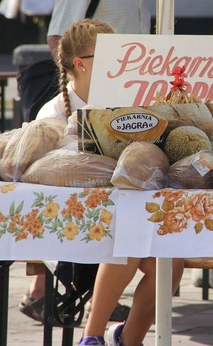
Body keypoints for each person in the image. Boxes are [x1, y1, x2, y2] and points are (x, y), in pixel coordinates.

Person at [19, 19, 130, 325]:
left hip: (118, 222)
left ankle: (123, 337)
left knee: (167, 262)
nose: (119, 65)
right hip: (69, 226)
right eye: (110, 57)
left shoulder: (122, 104)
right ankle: (97, 327)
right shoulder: (52, 116)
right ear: (80, 64)